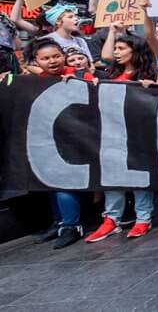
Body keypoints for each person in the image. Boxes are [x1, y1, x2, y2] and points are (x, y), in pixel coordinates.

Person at [85, 30, 158, 242]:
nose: (116, 53)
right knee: (112, 176)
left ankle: (143, 218)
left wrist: (152, 89)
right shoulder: (109, 75)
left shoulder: (151, 75)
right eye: (116, 48)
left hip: (139, 134)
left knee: (138, 173)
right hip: (112, 132)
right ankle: (111, 220)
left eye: (121, 48)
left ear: (135, 50)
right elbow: (105, 56)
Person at [24, 39, 87, 248]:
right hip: (49, 141)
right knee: (49, 182)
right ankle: (60, 222)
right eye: (45, 58)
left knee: (63, 183)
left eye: (56, 56)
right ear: (37, 61)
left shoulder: (80, 75)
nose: (52, 61)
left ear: (63, 55)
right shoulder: (33, 81)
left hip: (79, 141)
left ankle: (71, 226)